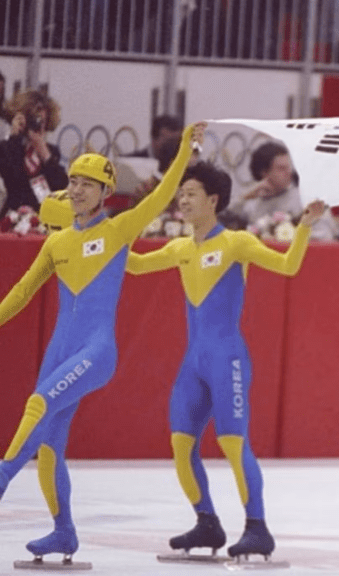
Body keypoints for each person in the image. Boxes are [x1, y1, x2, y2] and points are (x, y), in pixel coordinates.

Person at [0, 122, 203, 563]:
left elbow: (159, 196)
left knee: (36, 404)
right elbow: (20, 293)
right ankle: (63, 532)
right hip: (60, 351)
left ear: (105, 192)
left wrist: (185, 149)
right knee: (50, 447)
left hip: (96, 352)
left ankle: (1, 477)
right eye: (72, 181)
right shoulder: (56, 241)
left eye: (86, 184)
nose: (75, 190)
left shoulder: (119, 231)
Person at [126, 162, 325, 560]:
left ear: (213, 200)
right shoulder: (180, 248)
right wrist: (109, 232)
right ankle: (207, 523)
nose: (182, 200)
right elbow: (133, 264)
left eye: (191, 194)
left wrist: (304, 227)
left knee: (233, 444)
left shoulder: (236, 243)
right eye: (180, 194)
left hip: (227, 359)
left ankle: (258, 528)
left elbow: (289, 266)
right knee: (181, 446)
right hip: (193, 364)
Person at [226, 141, 337, 241]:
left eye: (288, 167)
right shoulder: (253, 203)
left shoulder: (307, 199)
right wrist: (246, 197)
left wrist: (289, 238)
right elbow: (220, 219)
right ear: (264, 173)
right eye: (281, 169)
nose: (288, 172)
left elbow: (326, 236)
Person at [0, 89, 68, 215]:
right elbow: (10, 176)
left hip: (43, 217)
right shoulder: (7, 148)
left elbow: (61, 185)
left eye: (42, 121)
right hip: (12, 216)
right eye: (33, 120)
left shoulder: (51, 152)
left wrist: (43, 152)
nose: (37, 125)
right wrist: (15, 137)